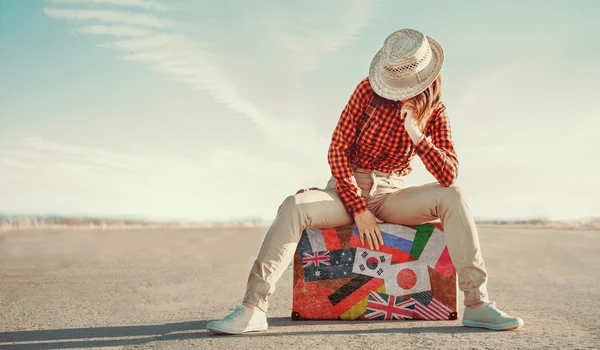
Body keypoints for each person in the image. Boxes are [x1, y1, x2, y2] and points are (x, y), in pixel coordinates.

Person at [207, 28, 524, 334]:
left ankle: (477, 303)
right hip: (346, 189)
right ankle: (253, 308)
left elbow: (448, 173)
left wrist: (416, 133)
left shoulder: (436, 111)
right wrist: (358, 207)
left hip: (393, 194)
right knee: (294, 205)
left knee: (454, 195)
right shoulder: (366, 91)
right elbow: (338, 151)